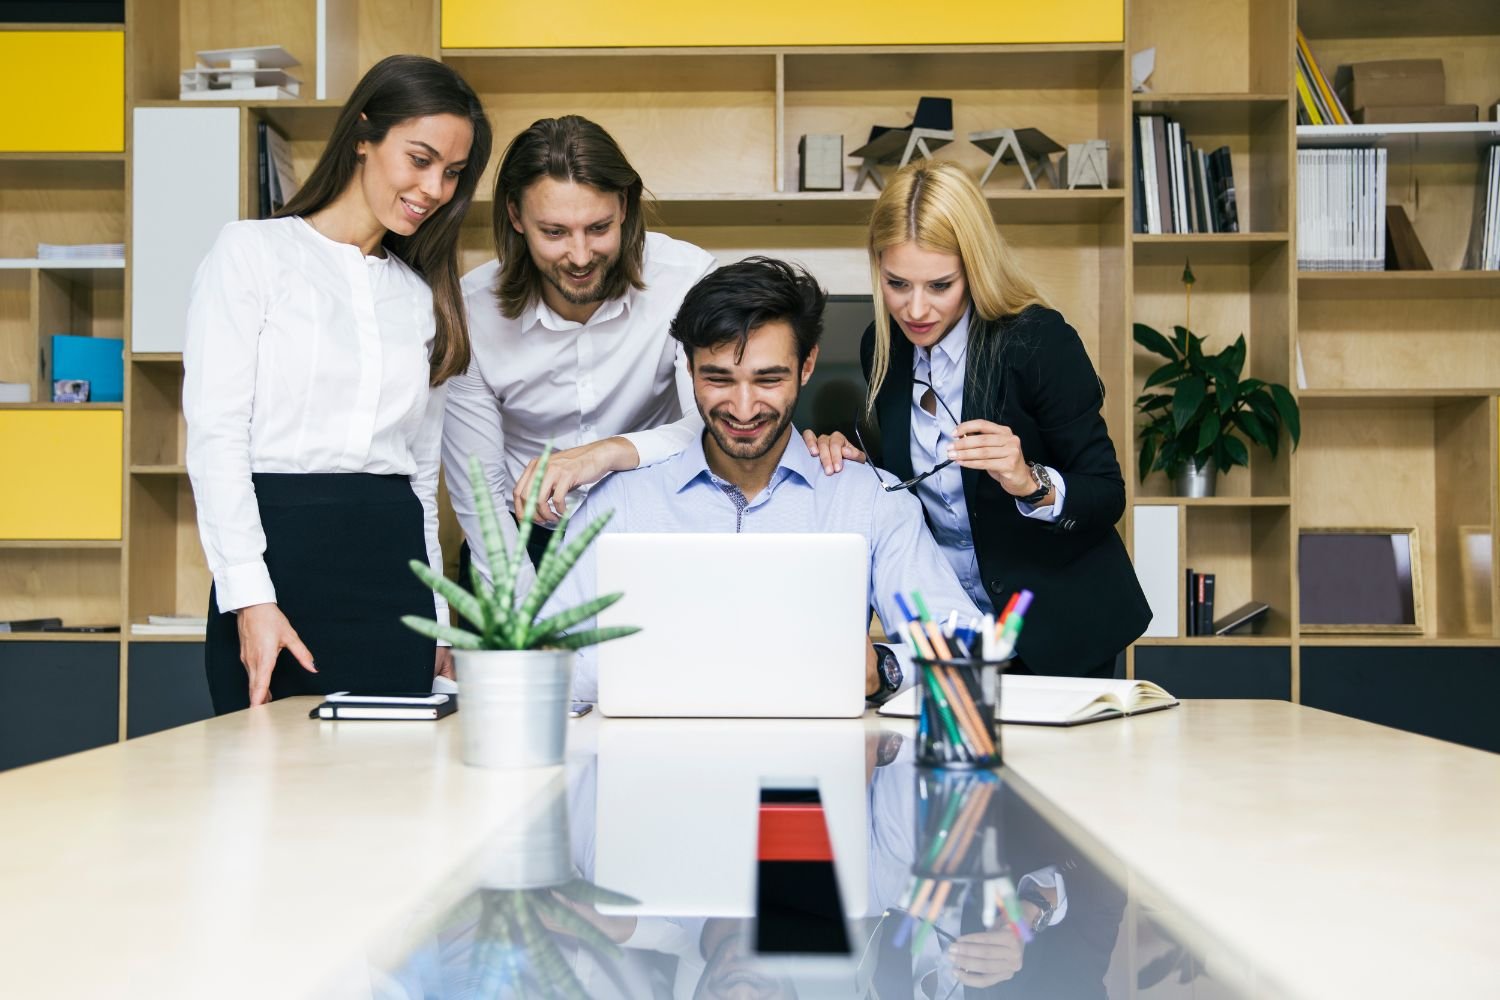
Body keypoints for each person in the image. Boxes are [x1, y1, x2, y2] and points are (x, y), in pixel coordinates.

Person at [184, 55, 492, 713]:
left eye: (453, 173)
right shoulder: (251, 254)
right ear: (362, 133)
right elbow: (217, 440)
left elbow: (418, 476)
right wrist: (251, 599)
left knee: (395, 800)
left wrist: (437, 612)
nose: (435, 187)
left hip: (394, 577)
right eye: (420, 158)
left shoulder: (420, 297)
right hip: (280, 565)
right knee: (271, 794)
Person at [543, 256, 981, 704]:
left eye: (768, 379)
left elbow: (966, 646)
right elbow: (543, 658)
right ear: (688, 367)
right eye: (719, 379)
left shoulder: (870, 499)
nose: (744, 407)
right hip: (649, 761)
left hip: (817, 764)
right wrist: (714, 667)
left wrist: (884, 670)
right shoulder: (620, 502)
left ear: (807, 366)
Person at [804, 161, 1150, 678]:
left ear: (973, 268)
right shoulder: (880, 346)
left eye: (939, 285)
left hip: (1058, 630)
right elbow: (912, 482)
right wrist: (862, 465)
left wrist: (1028, 481)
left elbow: (1106, 493)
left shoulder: (1037, 342)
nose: (915, 308)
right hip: (951, 629)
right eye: (898, 283)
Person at [442, 115, 716, 579]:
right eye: (554, 232)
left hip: (655, 527)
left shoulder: (687, 280)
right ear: (515, 217)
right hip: (515, 541)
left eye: (598, 227)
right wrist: (517, 615)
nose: (581, 255)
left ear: (625, 206)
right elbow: (481, 492)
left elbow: (710, 427)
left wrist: (604, 453)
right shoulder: (470, 310)